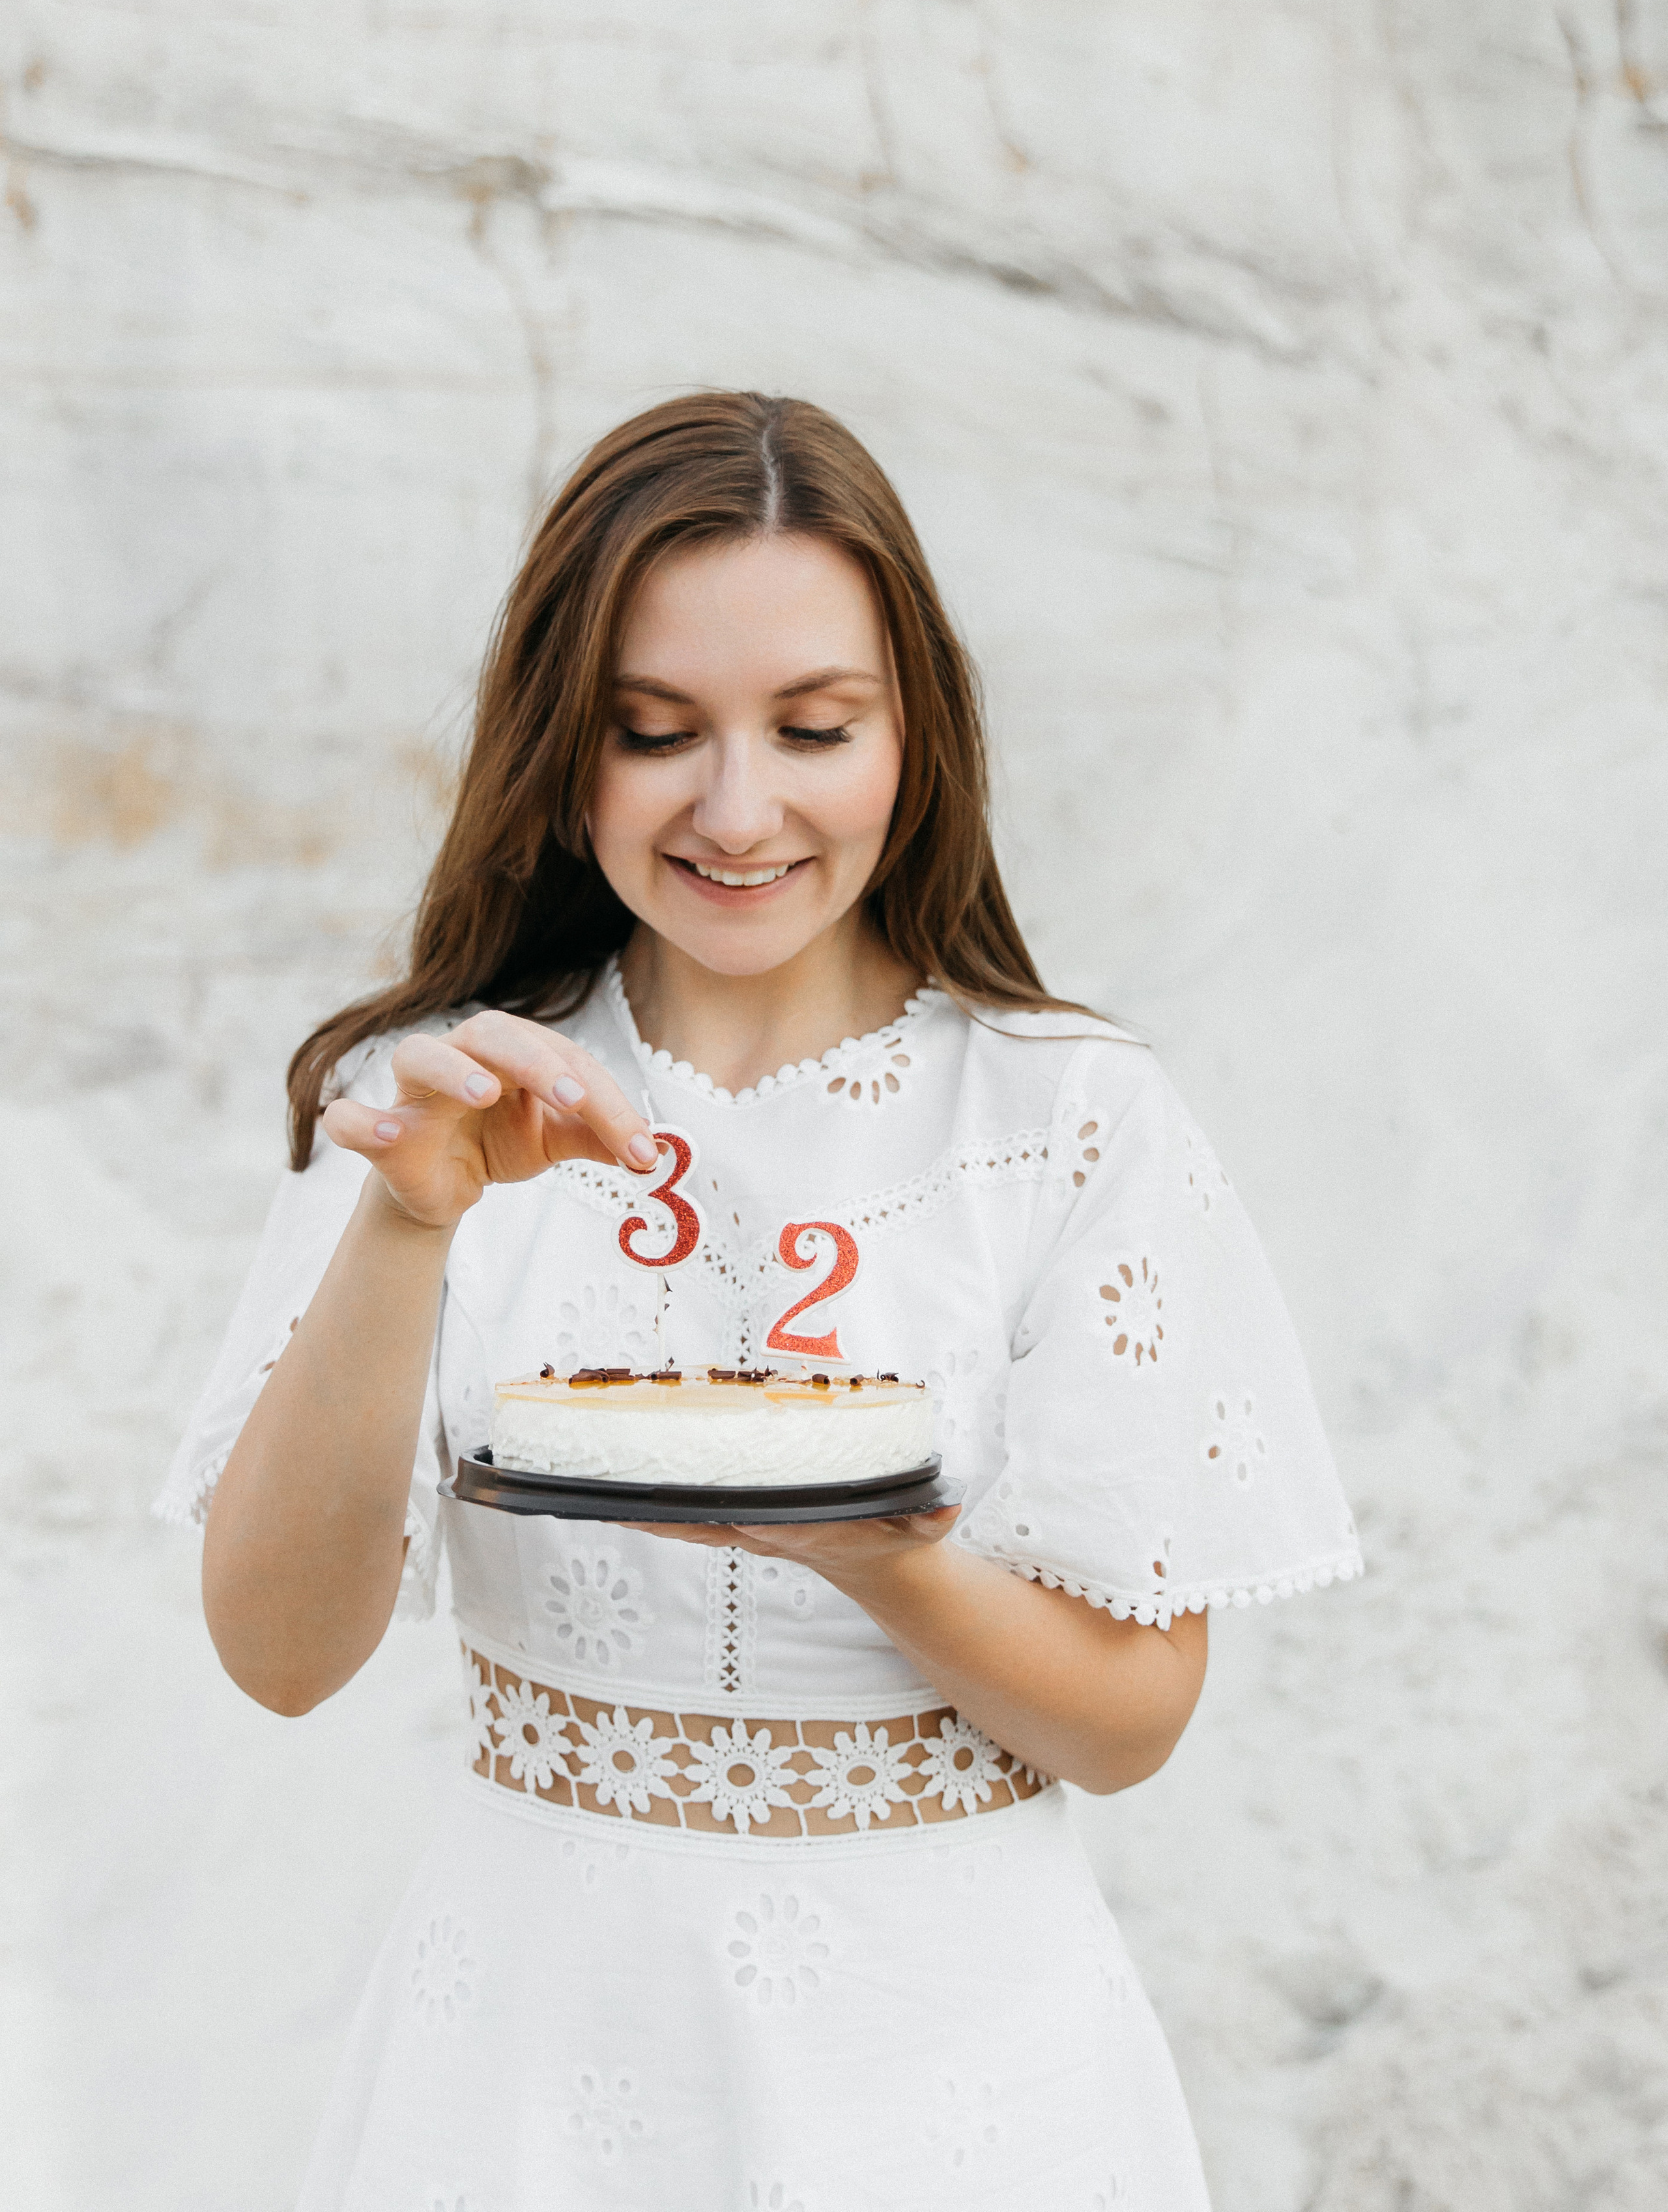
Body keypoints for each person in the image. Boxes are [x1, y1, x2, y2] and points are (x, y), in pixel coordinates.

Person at [159, 391, 1361, 2211]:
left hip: (957, 2081)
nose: (738, 809)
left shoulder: (1070, 1122)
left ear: (914, 736)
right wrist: (406, 1229)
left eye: (814, 728)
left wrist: (877, 1555)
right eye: (655, 733)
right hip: (529, 2070)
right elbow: (277, 1655)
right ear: (565, 749)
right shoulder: (442, 1100)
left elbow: (1129, 1724)